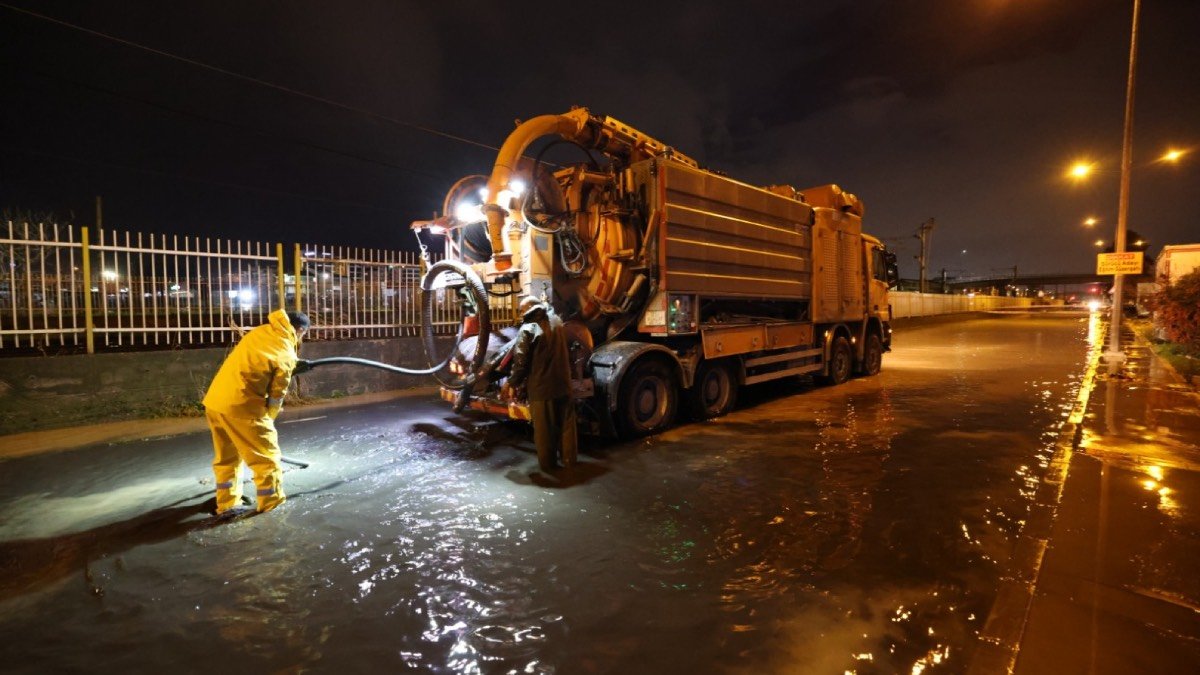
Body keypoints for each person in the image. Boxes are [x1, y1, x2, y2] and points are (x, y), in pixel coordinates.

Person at [202, 309, 310, 517]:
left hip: (215, 402)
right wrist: (267, 419)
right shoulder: (286, 352)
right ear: (299, 331)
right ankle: (272, 505)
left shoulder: (259, 332)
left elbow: (257, 361)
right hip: (243, 408)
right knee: (267, 460)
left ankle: (226, 504)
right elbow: (276, 396)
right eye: (303, 334)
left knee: (227, 459)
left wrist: (291, 366)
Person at [503, 296, 578, 471]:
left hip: (542, 389)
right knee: (567, 427)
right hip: (564, 385)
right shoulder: (557, 321)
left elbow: (520, 362)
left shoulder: (528, 328)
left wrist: (511, 383)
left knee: (544, 431)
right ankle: (570, 462)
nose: (520, 314)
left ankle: (549, 468)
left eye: (521, 310)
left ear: (528, 309)